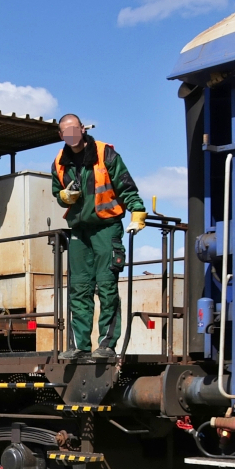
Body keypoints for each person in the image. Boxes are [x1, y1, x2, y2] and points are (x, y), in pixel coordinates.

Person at [51, 114, 146, 360]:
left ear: (82, 129)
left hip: (106, 226)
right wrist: (64, 197)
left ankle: (106, 345)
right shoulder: (60, 161)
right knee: (79, 288)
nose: (70, 134)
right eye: (65, 131)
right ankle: (80, 347)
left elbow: (125, 185)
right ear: (61, 135)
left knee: (106, 285)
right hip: (80, 231)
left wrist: (137, 210)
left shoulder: (105, 154)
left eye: (74, 129)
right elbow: (56, 190)